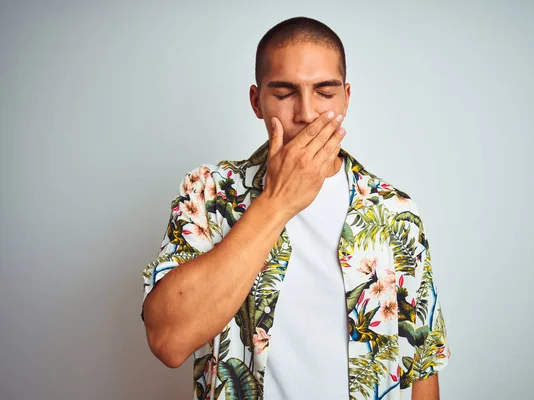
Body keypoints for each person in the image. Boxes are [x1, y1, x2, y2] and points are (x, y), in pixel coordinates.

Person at [141, 16, 450, 400]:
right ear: (257, 101)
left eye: (324, 92)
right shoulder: (209, 192)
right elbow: (168, 341)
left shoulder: (395, 211)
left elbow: (421, 365)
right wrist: (277, 202)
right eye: (285, 93)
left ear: (347, 98)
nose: (306, 113)